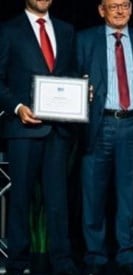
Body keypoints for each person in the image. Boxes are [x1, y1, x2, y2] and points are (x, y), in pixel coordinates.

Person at [0, 0, 79, 274]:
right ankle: (17, 263)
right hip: (23, 130)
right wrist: (17, 107)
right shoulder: (8, 30)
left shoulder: (67, 30)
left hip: (58, 130)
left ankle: (62, 263)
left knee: (58, 201)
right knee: (20, 200)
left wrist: (81, 94)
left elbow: (69, 75)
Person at [76, 0, 133, 274]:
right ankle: (95, 257)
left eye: (125, 5)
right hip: (98, 126)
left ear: (132, 8)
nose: (120, 11)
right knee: (93, 196)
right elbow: (72, 78)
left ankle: (128, 256)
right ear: (101, 10)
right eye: (113, 6)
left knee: (129, 197)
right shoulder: (84, 40)